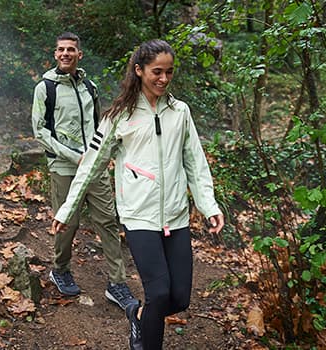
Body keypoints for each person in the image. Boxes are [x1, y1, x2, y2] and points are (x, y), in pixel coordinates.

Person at [51, 39, 226, 350]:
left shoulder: (180, 111)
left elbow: (195, 162)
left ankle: (138, 314)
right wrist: (67, 209)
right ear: (139, 70)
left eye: (169, 73)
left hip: (176, 216)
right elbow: (91, 165)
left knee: (179, 298)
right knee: (159, 293)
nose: (163, 79)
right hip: (139, 215)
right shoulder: (119, 116)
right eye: (156, 72)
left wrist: (208, 204)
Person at [31, 32, 138, 312]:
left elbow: (100, 127)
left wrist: (101, 156)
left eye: (70, 50)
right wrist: (74, 156)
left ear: (80, 55)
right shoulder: (46, 88)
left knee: (108, 222)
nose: (65, 53)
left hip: (95, 168)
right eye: (60, 49)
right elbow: (40, 131)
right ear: (55, 54)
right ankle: (61, 268)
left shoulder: (89, 87)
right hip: (64, 167)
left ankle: (117, 283)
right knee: (68, 222)